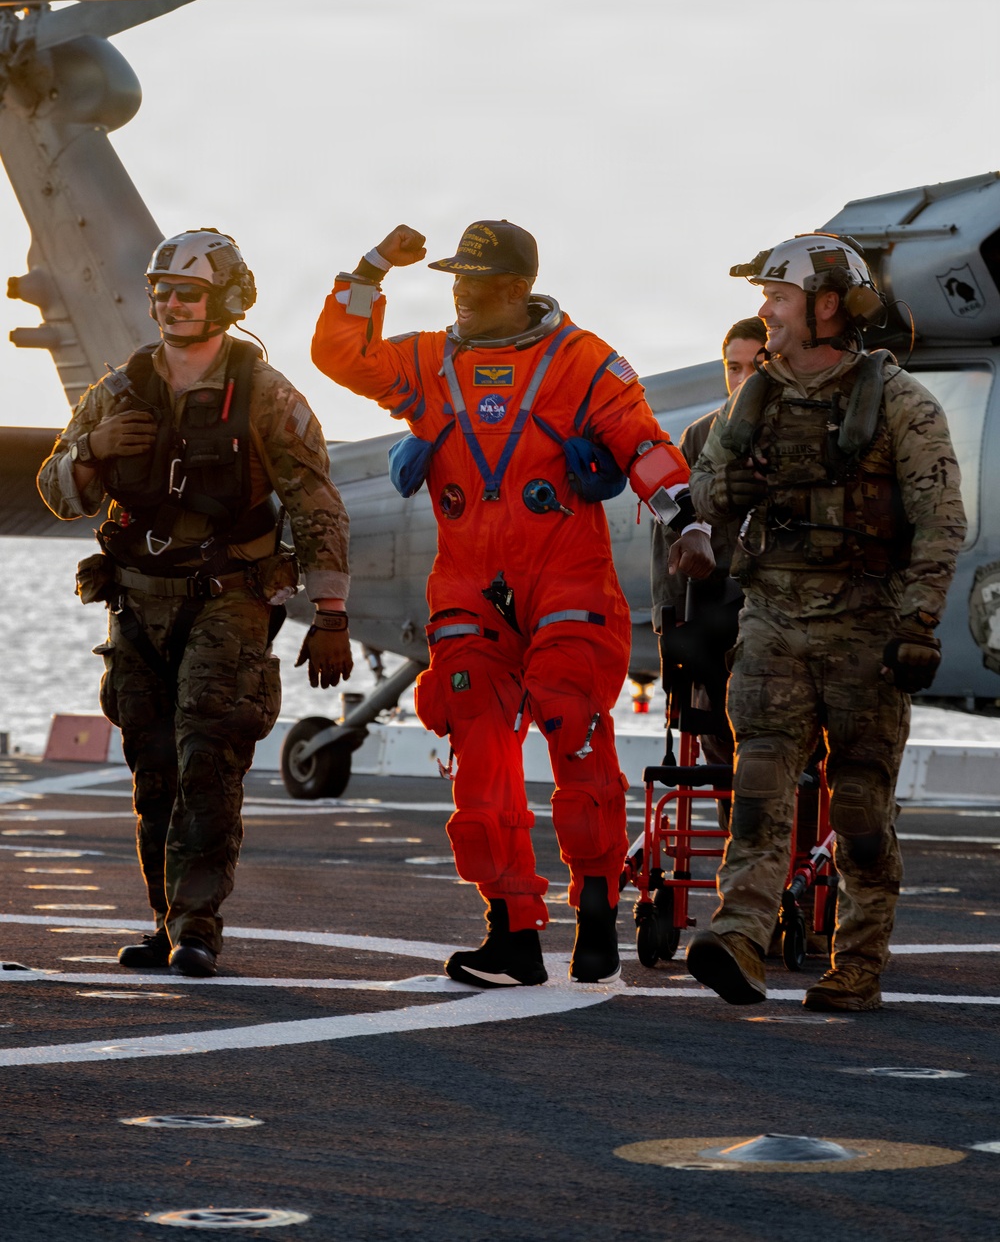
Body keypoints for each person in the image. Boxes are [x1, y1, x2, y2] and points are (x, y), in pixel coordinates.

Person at [311, 219, 713, 986]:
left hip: (566, 575)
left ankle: (595, 906)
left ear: (518, 288)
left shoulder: (582, 361)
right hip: (467, 583)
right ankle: (512, 929)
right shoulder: (429, 362)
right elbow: (341, 355)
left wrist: (684, 520)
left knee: (572, 722)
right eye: (454, 279)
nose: (459, 292)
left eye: (476, 280)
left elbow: (641, 441)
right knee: (477, 744)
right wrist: (368, 271)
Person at [38, 229, 352, 977]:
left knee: (209, 761)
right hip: (136, 604)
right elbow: (56, 491)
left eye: (189, 292)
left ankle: (197, 924)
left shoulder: (268, 396)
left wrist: (332, 612)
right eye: (164, 291)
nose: (172, 304)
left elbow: (315, 504)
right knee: (153, 769)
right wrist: (94, 450)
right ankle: (164, 918)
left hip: (228, 601)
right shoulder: (117, 391)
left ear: (228, 301)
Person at [684, 232, 966, 1010]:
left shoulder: (902, 402)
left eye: (779, 298)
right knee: (760, 784)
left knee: (859, 806)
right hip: (773, 616)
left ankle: (859, 962)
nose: (766, 314)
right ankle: (739, 934)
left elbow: (942, 522)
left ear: (828, 306)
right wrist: (724, 495)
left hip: (867, 631)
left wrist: (917, 622)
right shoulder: (757, 396)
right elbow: (702, 497)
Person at [651, 316, 767, 769]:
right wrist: (673, 624)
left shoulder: (804, 432)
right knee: (719, 749)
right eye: (732, 367)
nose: (741, 378)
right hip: (713, 612)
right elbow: (669, 524)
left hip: (778, 612)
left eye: (754, 366)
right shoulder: (699, 436)